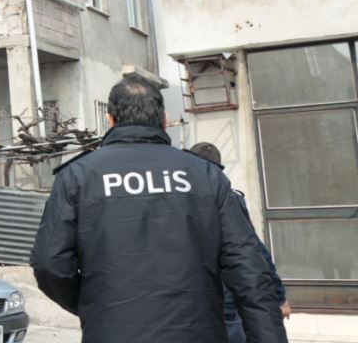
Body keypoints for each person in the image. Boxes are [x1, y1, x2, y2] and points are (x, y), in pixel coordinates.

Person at [30, 76, 287, 343]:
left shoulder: (78, 176)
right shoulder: (204, 175)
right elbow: (250, 270)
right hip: (197, 332)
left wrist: (94, 304)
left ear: (110, 120)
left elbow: (49, 264)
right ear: (164, 120)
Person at [188, 142, 290, 343]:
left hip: (199, 303)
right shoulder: (229, 198)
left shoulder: (180, 199)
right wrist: (279, 295)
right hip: (226, 300)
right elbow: (255, 252)